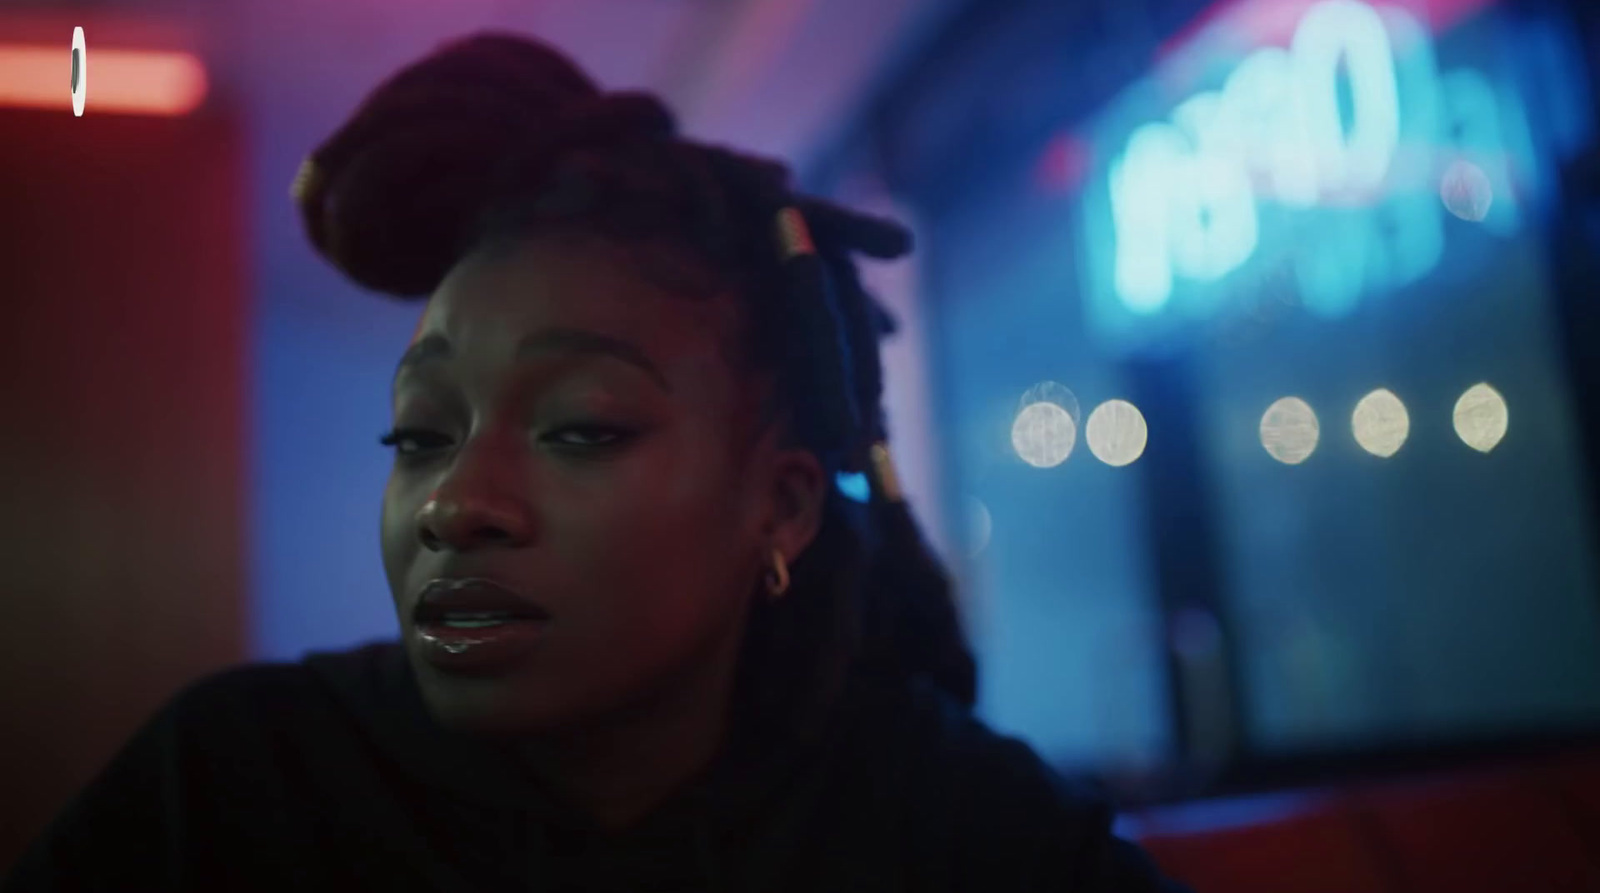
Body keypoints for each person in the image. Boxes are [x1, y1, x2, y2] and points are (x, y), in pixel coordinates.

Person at [3, 33, 1192, 893]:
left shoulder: (947, 823)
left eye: (580, 426)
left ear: (778, 506)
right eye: (420, 435)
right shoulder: (227, 790)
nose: (457, 503)